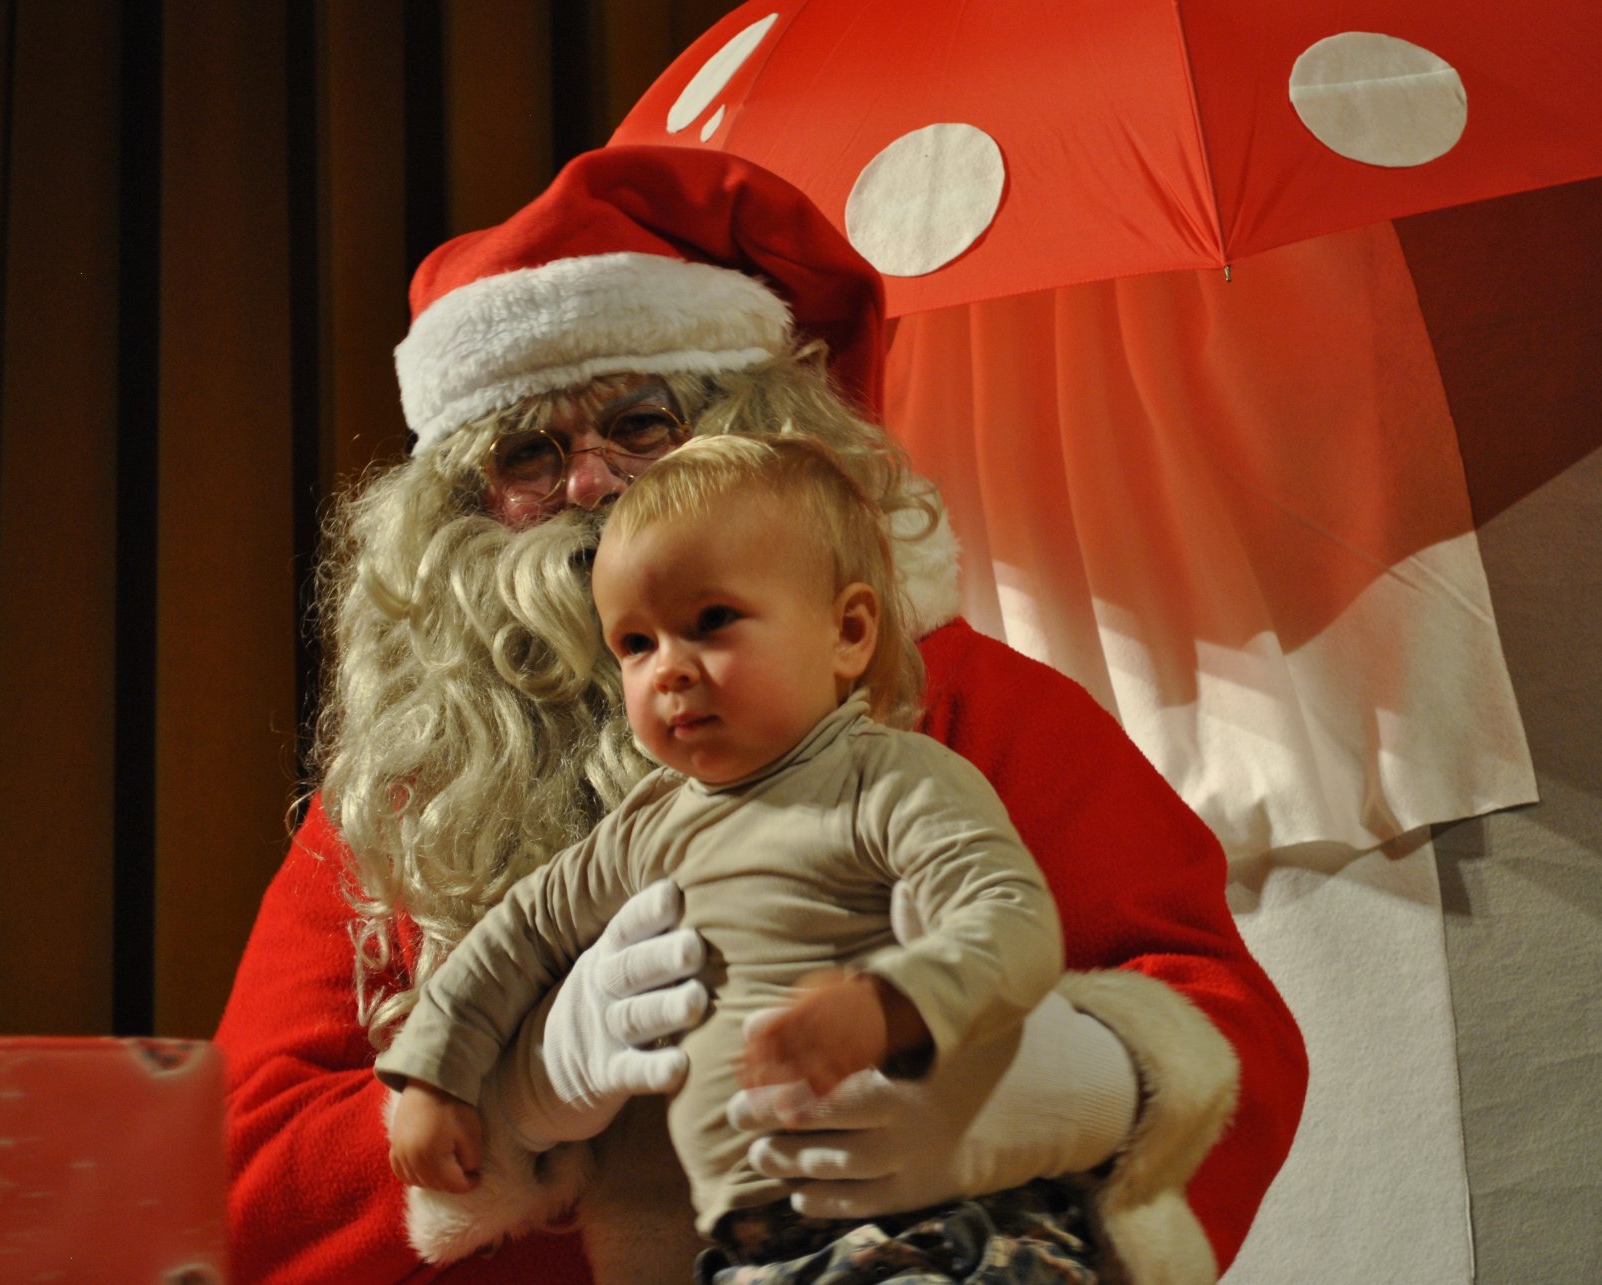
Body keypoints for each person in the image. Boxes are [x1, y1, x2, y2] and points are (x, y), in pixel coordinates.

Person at [213, 143, 1308, 1285]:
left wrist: (1016, 1089)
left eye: (641, 426)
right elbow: (240, 1182)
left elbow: (1224, 1027)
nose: (588, 485)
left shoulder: (959, 701)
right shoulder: (409, 798)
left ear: (760, 436)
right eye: (526, 454)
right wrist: (519, 1094)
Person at [381, 434, 1093, 1279]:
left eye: (711, 621)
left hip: (937, 1218)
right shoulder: (648, 826)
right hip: (757, 1249)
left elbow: (1013, 919)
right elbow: (519, 933)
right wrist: (438, 1074)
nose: (667, 670)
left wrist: (893, 1004)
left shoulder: (889, 779)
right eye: (635, 643)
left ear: (848, 632)